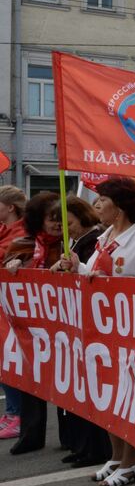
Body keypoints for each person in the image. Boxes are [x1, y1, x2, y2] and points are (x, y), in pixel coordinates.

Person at [55, 177, 135, 485]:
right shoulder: (105, 237)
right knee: (107, 397)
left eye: (101, 200)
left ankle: (132, 462)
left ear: (118, 205)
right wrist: (77, 266)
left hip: (130, 335)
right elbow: (94, 274)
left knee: (127, 398)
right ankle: (116, 456)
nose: (96, 206)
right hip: (103, 333)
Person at [4, 192, 62, 455]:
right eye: (51, 218)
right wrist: (14, 265)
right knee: (30, 375)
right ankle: (30, 433)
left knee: (65, 379)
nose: (57, 223)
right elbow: (6, 271)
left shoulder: (68, 246)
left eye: (61, 218)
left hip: (61, 323)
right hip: (31, 325)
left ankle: (71, 437)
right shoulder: (23, 244)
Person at [56, 197, 111, 466]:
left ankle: (96, 448)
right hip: (75, 321)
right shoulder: (75, 242)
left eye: (71, 223)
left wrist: (76, 268)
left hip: (92, 322)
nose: (68, 228)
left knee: (93, 387)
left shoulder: (94, 240)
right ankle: (82, 445)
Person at [0, 186, 25, 440]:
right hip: (3, 305)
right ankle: (11, 412)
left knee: (9, 359)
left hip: (10, 307)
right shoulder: (6, 230)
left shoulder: (20, 232)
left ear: (10, 207)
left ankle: (16, 413)